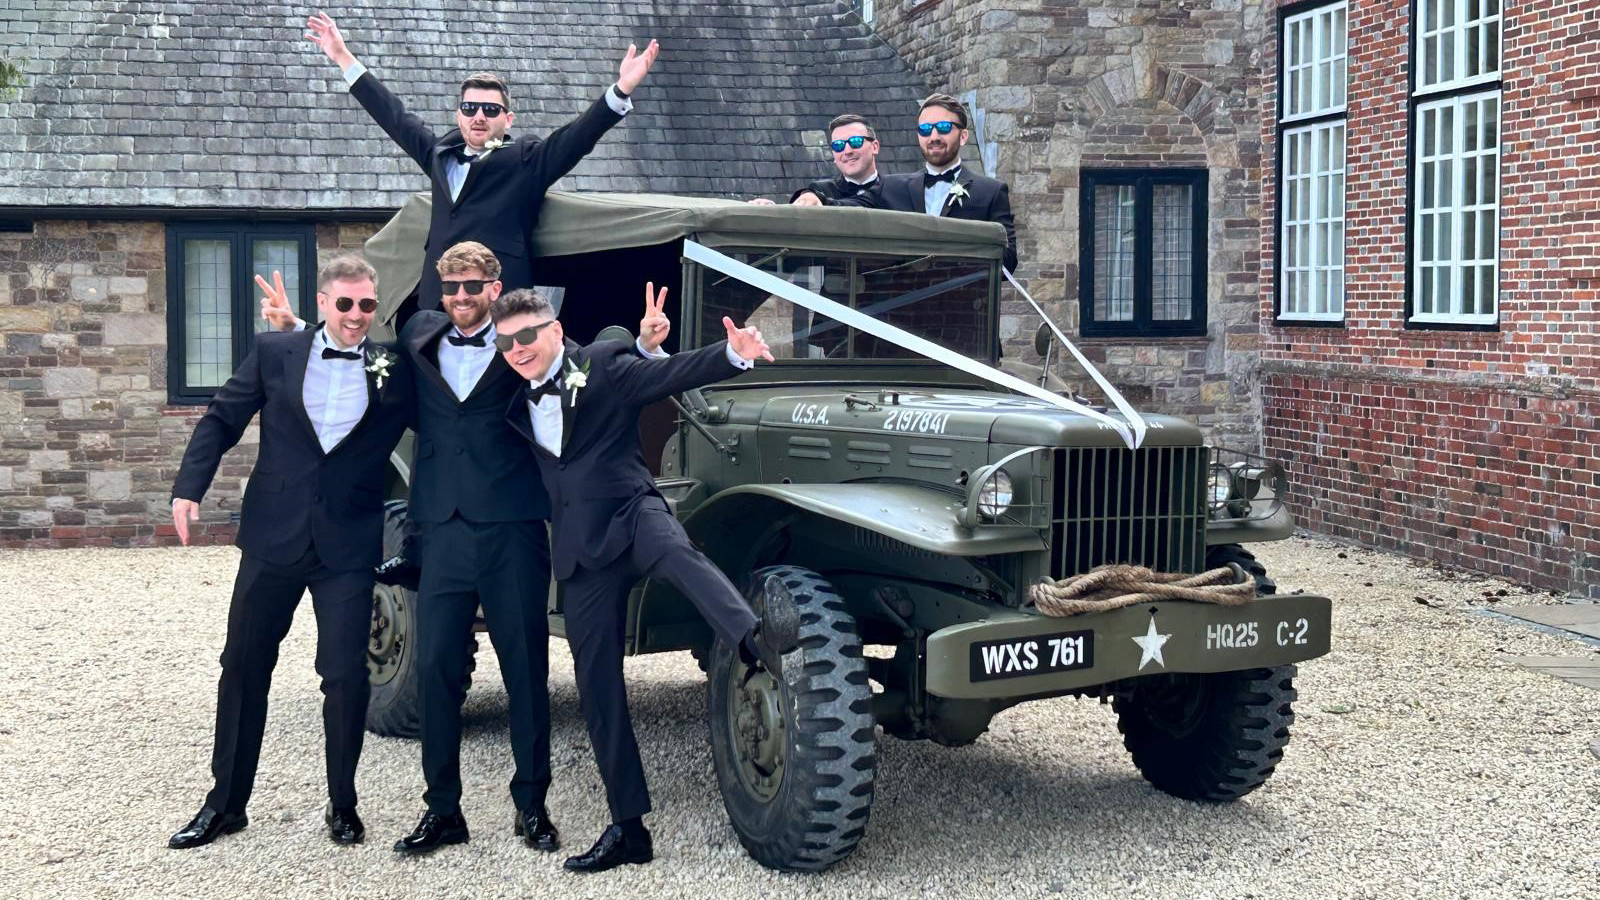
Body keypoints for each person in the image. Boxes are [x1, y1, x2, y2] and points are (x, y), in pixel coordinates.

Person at [490, 285, 798, 873]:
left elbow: (665, 377)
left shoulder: (603, 363)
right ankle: (628, 829)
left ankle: (756, 642)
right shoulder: (510, 397)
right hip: (581, 552)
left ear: (555, 331)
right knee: (598, 691)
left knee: (681, 556)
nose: (518, 348)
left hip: (634, 514)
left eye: (528, 335)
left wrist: (728, 354)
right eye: (507, 341)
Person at [166, 256, 414, 850]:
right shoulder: (275, 352)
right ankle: (225, 804)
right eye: (345, 304)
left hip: (348, 544)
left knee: (346, 677)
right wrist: (186, 487)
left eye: (367, 305)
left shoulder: (394, 368)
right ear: (324, 303)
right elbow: (222, 418)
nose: (357, 316)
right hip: (273, 536)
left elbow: (447, 428)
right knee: (245, 667)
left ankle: (343, 805)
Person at [305, 11, 658, 328]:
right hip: (437, 301)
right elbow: (393, 116)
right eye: (470, 107)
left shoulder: (527, 160)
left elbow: (578, 136)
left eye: (490, 110)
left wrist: (622, 88)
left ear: (508, 119)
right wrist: (341, 56)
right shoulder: (439, 155)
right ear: (458, 114)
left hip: (498, 304)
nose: (478, 116)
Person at [828, 94, 1018, 271]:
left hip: (962, 303)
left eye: (943, 127)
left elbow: (1008, 262)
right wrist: (812, 196)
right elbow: (847, 207)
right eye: (925, 129)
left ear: (963, 136)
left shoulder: (991, 192)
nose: (933, 137)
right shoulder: (891, 187)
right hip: (899, 304)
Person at [752, 114, 882, 207]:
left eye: (855, 142)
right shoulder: (820, 190)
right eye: (838, 145)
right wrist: (771, 209)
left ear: (874, 147)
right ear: (834, 155)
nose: (847, 151)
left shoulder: (896, 188)